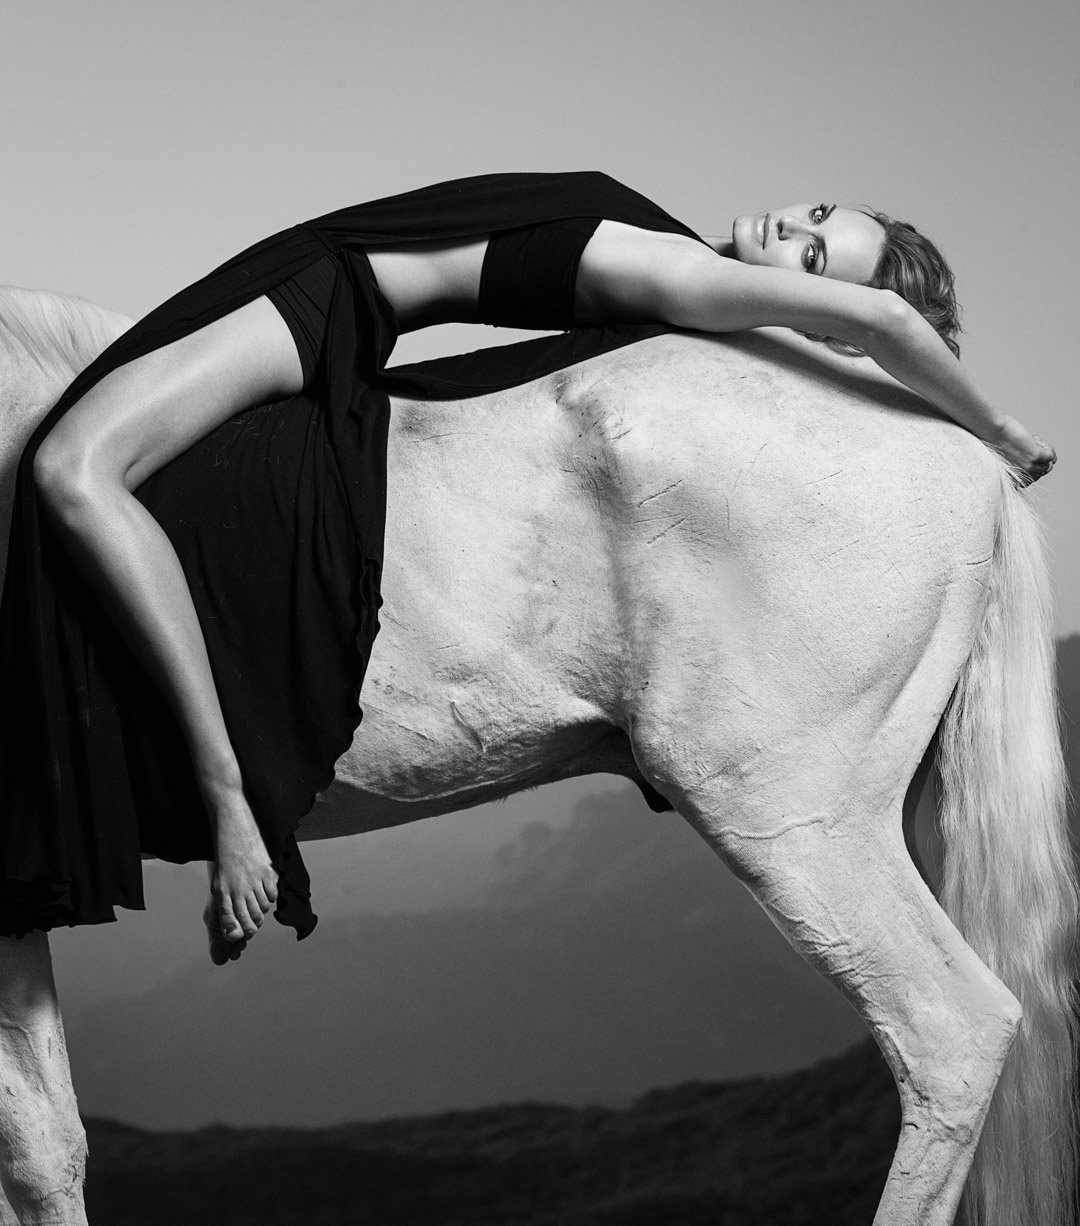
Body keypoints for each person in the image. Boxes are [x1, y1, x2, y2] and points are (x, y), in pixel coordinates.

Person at [0, 171, 1056, 964]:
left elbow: (881, 320)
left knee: (72, 464)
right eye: (822, 213)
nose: (796, 228)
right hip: (324, 277)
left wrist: (997, 431)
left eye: (817, 261)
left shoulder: (697, 282)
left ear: (814, 318)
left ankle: (227, 794)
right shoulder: (682, 266)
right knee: (79, 464)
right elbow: (864, 311)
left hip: (326, 293)